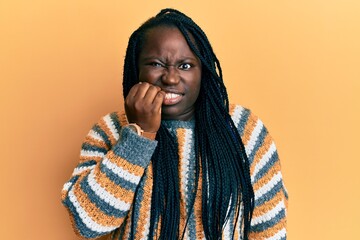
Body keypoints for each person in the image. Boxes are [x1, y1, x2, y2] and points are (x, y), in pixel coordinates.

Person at [61, 8, 288, 240]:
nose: (170, 78)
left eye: (185, 65)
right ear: (136, 70)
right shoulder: (110, 130)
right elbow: (87, 223)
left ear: (204, 72)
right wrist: (140, 136)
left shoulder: (243, 131)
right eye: (156, 64)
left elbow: (269, 229)